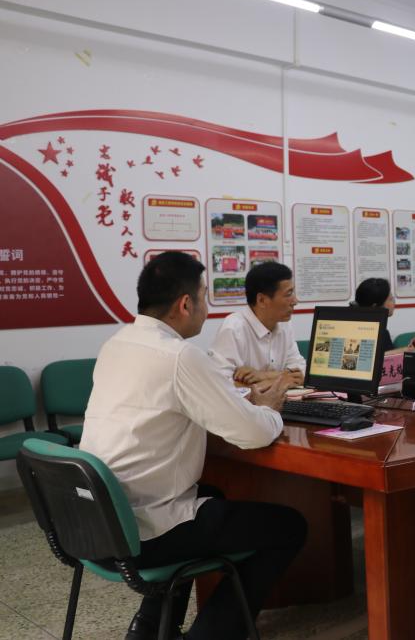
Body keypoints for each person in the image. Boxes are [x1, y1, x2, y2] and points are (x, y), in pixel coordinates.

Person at [79, 252, 307, 640]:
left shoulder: (117, 343)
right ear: (186, 304)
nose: (206, 307)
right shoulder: (180, 356)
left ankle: (150, 628)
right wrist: (269, 409)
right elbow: (253, 434)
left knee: (212, 494)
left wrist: (243, 404)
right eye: (204, 296)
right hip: (141, 531)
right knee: (289, 527)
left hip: (95, 522)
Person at [210, 261, 305, 387]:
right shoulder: (233, 328)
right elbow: (220, 384)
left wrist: (264, 376)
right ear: (261, 300)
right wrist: (278, 379)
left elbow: (300, 371)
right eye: (288, 294)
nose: (295, 301)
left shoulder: (284, 324)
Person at [352, 277, 415, 354]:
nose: (394, 301)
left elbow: (387, 354)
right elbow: (374, 358)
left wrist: (408, 349)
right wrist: (404, 351)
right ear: (375, 307)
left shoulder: (378, 329)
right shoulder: (376, 332)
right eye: (390, 299)